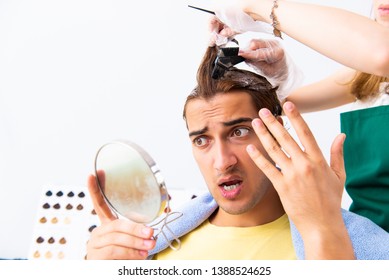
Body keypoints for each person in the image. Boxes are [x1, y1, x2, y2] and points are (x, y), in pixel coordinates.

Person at [85, 43, 389, 260]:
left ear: (277, 131)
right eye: (202, 140)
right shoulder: (149, 251)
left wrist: (324, 231)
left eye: (239, 132)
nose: (222, 162)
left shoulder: (353, 246)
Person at [207, 0, 389, 232]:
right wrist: (279, 78)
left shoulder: (381, 56)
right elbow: (280, 105)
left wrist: (255, 6)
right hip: (367, 242)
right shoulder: (369, 78)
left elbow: (382, 52)